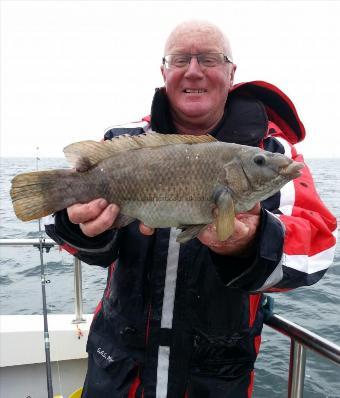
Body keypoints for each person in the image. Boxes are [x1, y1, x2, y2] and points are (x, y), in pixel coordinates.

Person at [46, 20, 337, 398]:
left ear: (232, 73)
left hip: (213, 380)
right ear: (164, 71)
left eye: (210, 59)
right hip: (118, 372)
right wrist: (75, 225)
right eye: (181, 59)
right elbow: (89, 248)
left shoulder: (273, 155)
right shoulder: (122, 141)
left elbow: (316, 252)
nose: (194, 70)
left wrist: (250, 244)